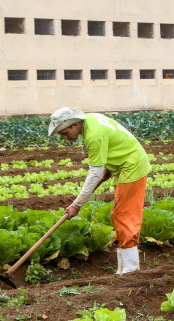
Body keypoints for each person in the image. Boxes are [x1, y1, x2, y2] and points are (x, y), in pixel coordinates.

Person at [48, 107, 151, 274]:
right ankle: (124, 267)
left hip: (131, 166)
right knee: (120, 214)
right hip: (123, 165)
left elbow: (94, 173)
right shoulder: (91, 119)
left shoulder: (93, 135)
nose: (64, 138)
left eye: (64, 133)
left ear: (75, 124)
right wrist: (107, 170)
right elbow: (113, 144)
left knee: (123, 214)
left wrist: (76, 204)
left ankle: (131, 269)